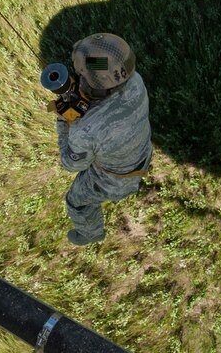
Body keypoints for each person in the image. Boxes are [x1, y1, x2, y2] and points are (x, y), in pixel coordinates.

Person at [54, 33, 153, 246]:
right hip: (142, 152)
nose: (78, 77)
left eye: (81, 75)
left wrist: (63, 123)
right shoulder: (135, 81)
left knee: (77, 202)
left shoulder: (85, 130)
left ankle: (91, 234)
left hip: (116, 180)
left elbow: (71, 164)